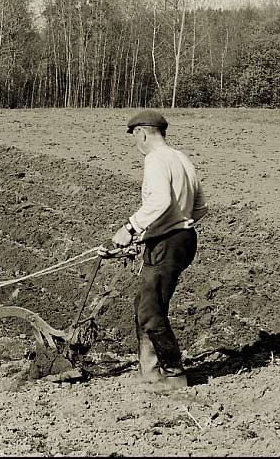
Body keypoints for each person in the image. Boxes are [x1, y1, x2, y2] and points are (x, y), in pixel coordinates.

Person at [105, 110, 208, 393]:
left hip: (168, 243)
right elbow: (200, 207)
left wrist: (130, 227)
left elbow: (160, 200)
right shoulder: (182, 159)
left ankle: (174, 376)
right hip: (182, 239)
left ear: (142, 133)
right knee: (146, 302)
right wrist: (169, 227)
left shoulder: (154, 160)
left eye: (135, 137)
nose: (136, 143)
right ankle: (149, 371)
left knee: (151, 309)